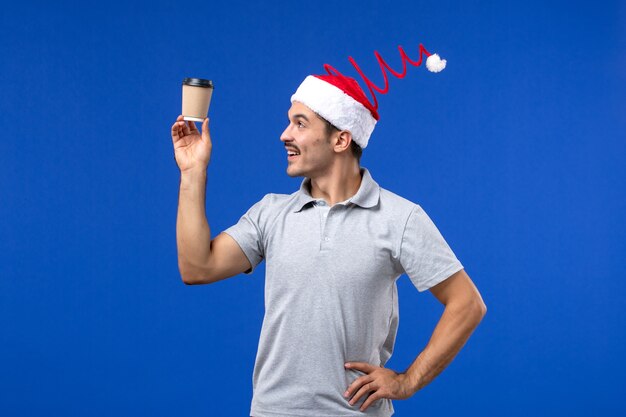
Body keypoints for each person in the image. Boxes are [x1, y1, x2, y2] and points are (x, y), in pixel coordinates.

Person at [171, 71, 487, 417]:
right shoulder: (271, 213)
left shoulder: (400, 218)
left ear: (340, 140)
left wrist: (406, 381)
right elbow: (197, 267)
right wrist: (192, 171)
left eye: (300, 124)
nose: (284, 134)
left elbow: (467, 304)